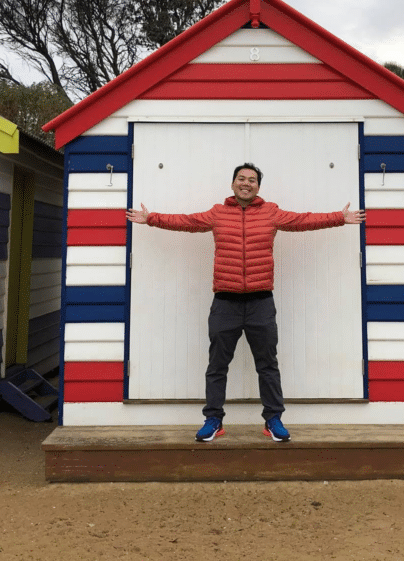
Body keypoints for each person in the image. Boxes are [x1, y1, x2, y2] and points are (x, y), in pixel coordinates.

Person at [127, 162, 365, 443]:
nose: (246, 183)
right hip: (224, 302)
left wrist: (339, 217)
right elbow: (186, 221)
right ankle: (213, 419)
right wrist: (151, 218)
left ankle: (273, 419)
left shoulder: (271, 213)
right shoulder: (217, 214)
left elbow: (304, 220)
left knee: (267, 365)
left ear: (258, 187)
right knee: (217, 366)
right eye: (241, 179)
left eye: (252, 180)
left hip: (260, 302)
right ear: (232, 184)